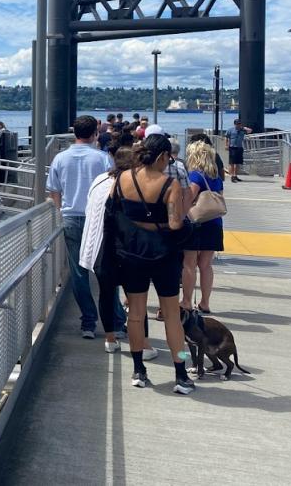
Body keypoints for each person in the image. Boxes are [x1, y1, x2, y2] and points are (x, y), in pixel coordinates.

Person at [111, 133, 196, 394]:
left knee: (135, 314)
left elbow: (114, 211)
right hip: (163, 256)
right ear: (162, 156)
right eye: (168, 158)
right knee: (172, 315)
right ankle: (181, 374)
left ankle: (138, 371)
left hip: (131, 253)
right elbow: (174, 223)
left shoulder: (122, 178)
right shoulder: (168, 184)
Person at [47, 115, 113, 338]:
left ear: (74, 132)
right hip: (99, 219)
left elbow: (54, 190)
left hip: (71, 218)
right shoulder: (103, 158)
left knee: (78, 272)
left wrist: (59, 212)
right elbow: (113, 189)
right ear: (95, 133)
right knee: (107, 271)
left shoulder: (60, 158)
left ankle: (88, 323)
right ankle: (115, 323)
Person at [80, 145, 142, 355]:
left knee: (106, 294)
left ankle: (110, 339)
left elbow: (91, 207)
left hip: (99, 248)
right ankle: (142, 343)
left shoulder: (99, 180)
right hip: (127, 250)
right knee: (136, 298)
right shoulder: (132, 184)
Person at [181, 141, 224, 313]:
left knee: (189, 264)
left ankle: (186, 301)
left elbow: (188, 199)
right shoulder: (216, 177)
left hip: (196, 224)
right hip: (214, 223)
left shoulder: (195, 176)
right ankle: (205, 302)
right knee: (206, 265)